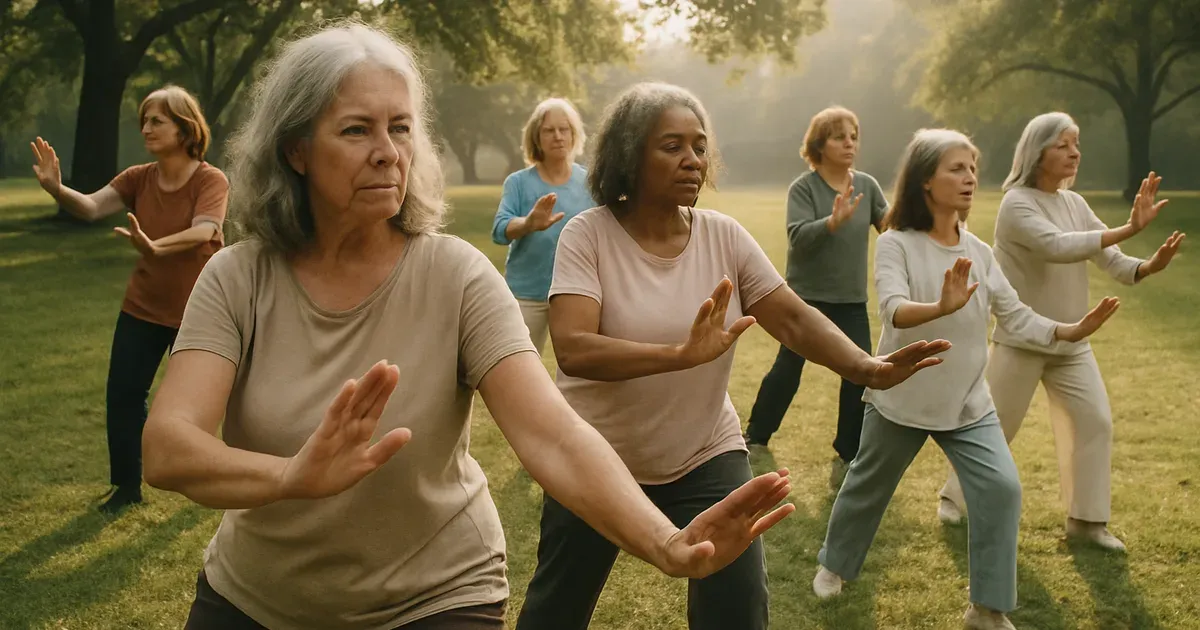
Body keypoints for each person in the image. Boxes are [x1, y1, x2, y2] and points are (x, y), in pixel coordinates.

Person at [140, 24, 801, 630]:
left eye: (400, 129)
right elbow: (169, 447)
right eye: (355, 130)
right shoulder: (237, 277)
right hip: (257, 602)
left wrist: (663, 541)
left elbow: (554, 434)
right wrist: (291, 478)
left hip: (435, 599)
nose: (386, 153)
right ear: (296, 151)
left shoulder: (456, 276)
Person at [514, 82, 952, 630]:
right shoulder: (589, 235)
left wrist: (867, 368)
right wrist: (678, 354)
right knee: (556, 609)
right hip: (597, 455)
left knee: (737, 608)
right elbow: (575, 349)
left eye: (699, 146)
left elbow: (791, 316)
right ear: (630, 154)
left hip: (704, 452)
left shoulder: (723, 235)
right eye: (671, 146)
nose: (692, 159)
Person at [810, 129, 1120, 630]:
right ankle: (834, 564)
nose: (970, 177)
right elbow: (893, 311)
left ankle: (986, 609)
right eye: (957, 168)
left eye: (973, 167)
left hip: (969, 404)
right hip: (902, 392)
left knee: (1001, 489)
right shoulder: (896, 243)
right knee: (866, 486)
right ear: (926, 180)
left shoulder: (979, 250)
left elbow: (1015, 316)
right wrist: (940, 305)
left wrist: (1068, 329)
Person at [937, 112, 1185, 550]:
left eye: (1076, 143)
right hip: (1023, 339)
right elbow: (1057, 246)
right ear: (1038, 152)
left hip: (1075, 340)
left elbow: (1111, 259)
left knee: (1095, 422)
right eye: (1064, 144)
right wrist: (1127, 227)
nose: (1075, 152)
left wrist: (1148, 266)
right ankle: (954, 497)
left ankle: (1087, 523)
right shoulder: (1017, 203)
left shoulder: (1075, 203)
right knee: (995, 428)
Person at [30, 85, 228, 514]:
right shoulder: (139, 177)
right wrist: (57, 190)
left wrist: (155, 246)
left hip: (199, 312)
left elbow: (206, 230)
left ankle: (218, 476)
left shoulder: (211, 179)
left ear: (185, 127)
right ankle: (126, 486)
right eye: (144, 120)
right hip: (144, 305)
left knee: (202, 405)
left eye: (157, 120)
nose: (146, 128)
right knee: (123, 394)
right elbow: (91, 207)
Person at [743, 106, 888, 465]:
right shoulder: (804, 188)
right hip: (806, 301)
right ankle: (756, 435)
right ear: (820, 144)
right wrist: (831, 223)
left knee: (860, 372)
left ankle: (849, 450)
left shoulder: (866, 186)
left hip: (851, 299)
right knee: (788, 370)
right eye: (840, 137)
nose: (849, 143)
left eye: (853, 136)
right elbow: (797, 236)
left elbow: (891, 226)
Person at [491, 98, 595, 355]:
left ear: (574, 134)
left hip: (576, 292)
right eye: (549, 130)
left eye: (564, 129)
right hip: (527, 293)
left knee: (581, 369)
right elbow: (499, 230)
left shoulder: (591, 182)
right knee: (520, 364)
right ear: (536, 138)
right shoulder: (518, 182)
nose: (558, 136)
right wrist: (529, 223)